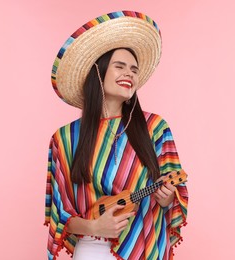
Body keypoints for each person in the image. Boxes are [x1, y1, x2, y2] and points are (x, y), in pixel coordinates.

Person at [44, 11, 188, 260]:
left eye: (134, 69)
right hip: (92, 249)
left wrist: (166, 199)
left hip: (144, 246)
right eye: (119, 66)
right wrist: (93, 227)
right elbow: (60, 214)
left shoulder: (155, 128)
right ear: (98, 72)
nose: (129, 74)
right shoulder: (65, 138)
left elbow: (177, 194)